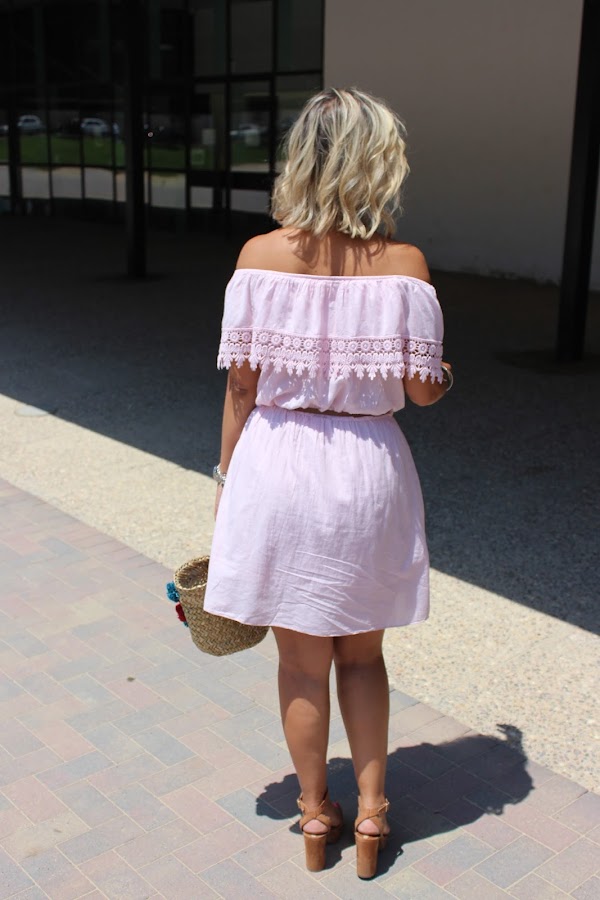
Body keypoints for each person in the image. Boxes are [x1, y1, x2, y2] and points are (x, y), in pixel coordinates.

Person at [204, 87, 453, 879]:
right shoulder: (405, 267)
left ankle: (315, 815)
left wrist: (226, 482)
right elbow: (422, 393)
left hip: (277, 462)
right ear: (376, 165)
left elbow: (240, 389)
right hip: (365, 466)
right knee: (363, 657)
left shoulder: (257, 259)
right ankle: (373, 815)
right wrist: (444, 372)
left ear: (298, 163)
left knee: (301, 663)